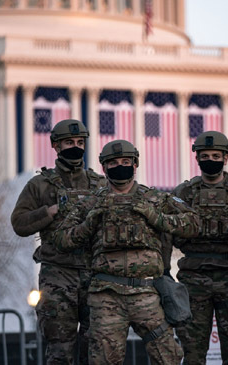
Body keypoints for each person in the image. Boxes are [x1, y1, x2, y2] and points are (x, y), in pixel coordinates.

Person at [52, 139, 199, 364]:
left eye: (125, 161)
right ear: (104, 167)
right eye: (113, 163)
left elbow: (193, 223)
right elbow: (61, 239)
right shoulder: (92, 203)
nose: (120, 166)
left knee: (168, 356)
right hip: (106, 295)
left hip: (147, 292)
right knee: (103, 360)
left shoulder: (155, 199)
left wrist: (156, 218)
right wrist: (89, 224)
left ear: (135, 164)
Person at [11, 119, 106, 364]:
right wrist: (47, 212)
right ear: (55, 145)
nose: (75, 147)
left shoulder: (99, 185)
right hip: (57, 275)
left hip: (94, 273)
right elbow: (19, 223)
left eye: (79, 142)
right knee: (59, 350)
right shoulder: (40, 185)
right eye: (68, 142)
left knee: (95, 348)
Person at [170, 131, 228, 364]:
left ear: (226, 157)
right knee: (192, 350)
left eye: (216, 155)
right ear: (197, 158)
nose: (210, 160)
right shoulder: (183, 194)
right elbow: (167, 233)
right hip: (194, 278)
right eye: (205, 155)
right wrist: (162, 275)